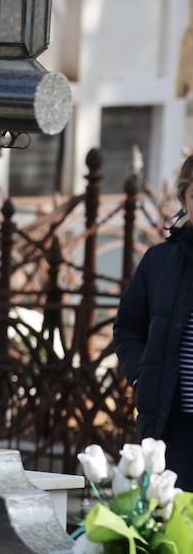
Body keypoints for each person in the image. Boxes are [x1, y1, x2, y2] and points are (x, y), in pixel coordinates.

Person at [115, 153, 193, 483]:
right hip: (175, 427)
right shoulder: (161, 262)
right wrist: (142, 376)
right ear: (183, 199)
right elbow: (128, 327)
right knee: (176, 526)